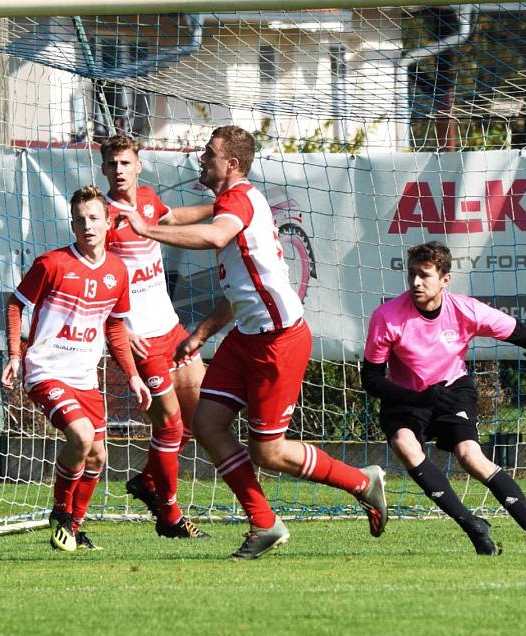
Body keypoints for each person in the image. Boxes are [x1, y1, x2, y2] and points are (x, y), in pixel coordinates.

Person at [124, 125, 388, 560]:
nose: (200, 159)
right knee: (207, 425)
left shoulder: (239, 200)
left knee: (268, 451)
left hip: (279, 340)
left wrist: (145, 229)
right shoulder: (237, 201)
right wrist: (201, 334)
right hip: (247, 337)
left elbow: (214, 235)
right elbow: (240, 289)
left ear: (231, 164)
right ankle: (263, 522)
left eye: (209, 153)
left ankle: (362, 482)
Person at [361, 240, 526, 555]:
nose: (415, 282)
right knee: (404, 445)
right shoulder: (387, 317)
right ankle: (474, 527)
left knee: (471, 456)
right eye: (412, 274)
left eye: (424, 275)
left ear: (444, 279)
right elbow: (371, 380)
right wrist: (420, 398)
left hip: (452, 389)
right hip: (407, 397)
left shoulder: (465, 310)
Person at [2, 185, 151, 553]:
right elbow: (15, 304)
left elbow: (115, 328)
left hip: (86, 377)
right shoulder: (52, 264)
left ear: (108, 223)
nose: (88, 225)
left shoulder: (117, 271)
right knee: (82, 437)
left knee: (99, 455)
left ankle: (74, 529)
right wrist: (16, 354)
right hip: (45, 370)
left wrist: (132, 375)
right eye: (80, 219)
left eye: (94, 218)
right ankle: (60, 513)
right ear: (72, 225)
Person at [100, 132, 212, 539]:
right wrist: (122, 330)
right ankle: (170, 516)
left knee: (200, 420)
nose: (119, 170)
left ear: (138, 166)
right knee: (168, 428)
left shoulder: (147, 199)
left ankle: (148, 481)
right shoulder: (103, 218)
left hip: (172, 329)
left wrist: (221, 208)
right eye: (112, 164)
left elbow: (171, 219)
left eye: (125, 163)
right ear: (103, 169)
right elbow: (99, 278)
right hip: (141, 340)